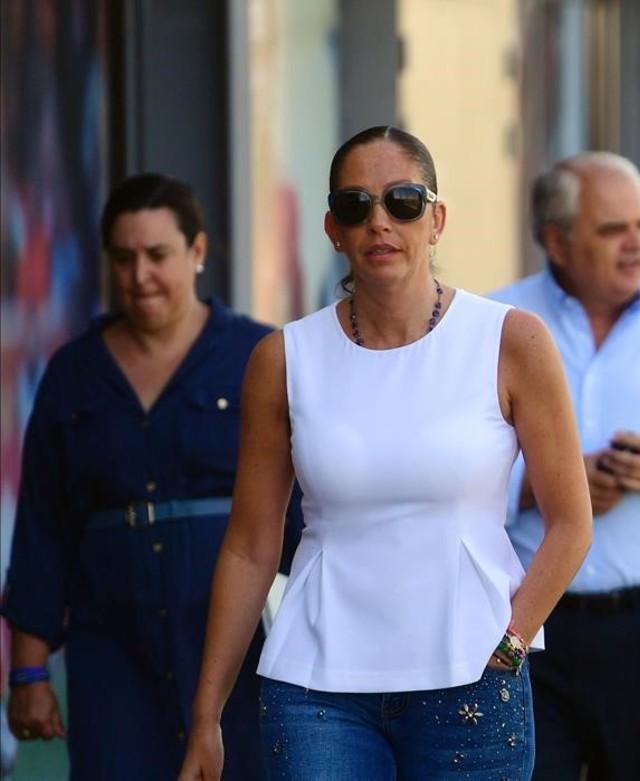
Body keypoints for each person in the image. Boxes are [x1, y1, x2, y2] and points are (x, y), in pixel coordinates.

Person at [178, 126, 592, 781]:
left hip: (471, 677)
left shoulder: (511, 340)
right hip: (316, 685)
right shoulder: (284, 358)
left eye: (403, 200)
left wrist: (511, 643)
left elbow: (572, 521)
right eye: (355, 205)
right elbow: (251, 544)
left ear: (437, 219)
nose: (380, 221)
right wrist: (207, 714)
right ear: (332, 229)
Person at [2, 173, 302, 779]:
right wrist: (29, 671)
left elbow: (307, 516)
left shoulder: (259, 356)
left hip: (230, 647)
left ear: (196, 252)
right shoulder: (74, 373)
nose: (140, 276)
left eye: (157, 255)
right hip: (110, 651)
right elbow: (42, 526)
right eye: (124, 258)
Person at [490, 152, 640, 780]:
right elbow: (447, 462)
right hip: (527, 621)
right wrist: (539, 488)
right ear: (556, 241)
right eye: (612, 230)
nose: (635, 244)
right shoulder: (495, 326)